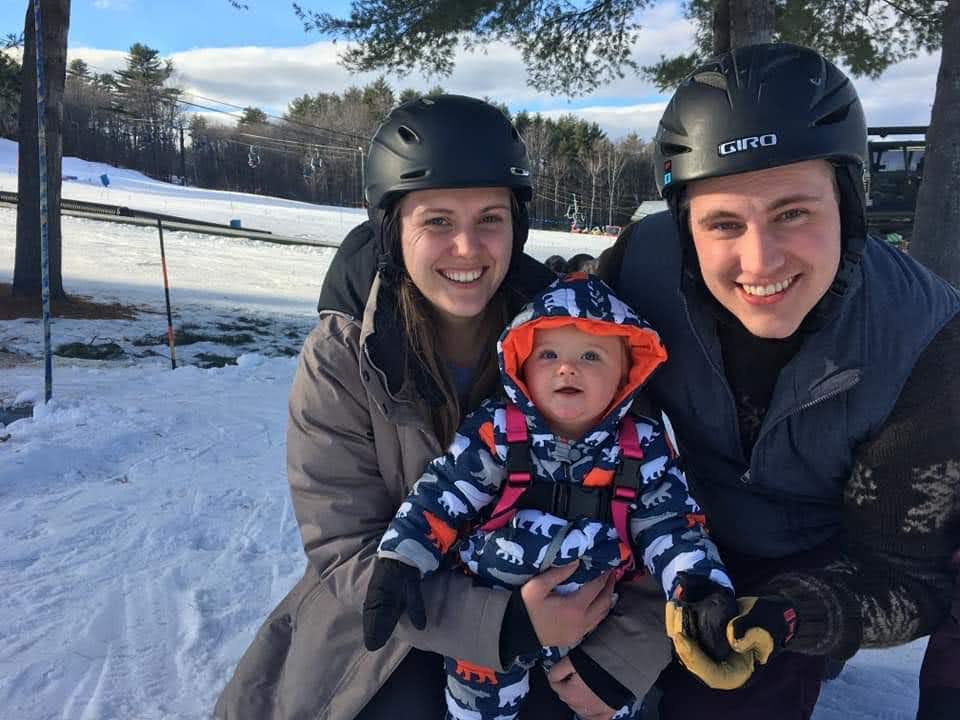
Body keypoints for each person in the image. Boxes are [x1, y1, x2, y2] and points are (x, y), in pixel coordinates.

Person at [215, 95, 673, 720]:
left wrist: (623, 657)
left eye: (490, 218)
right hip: (399, 625)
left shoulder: (583, 338)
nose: (467, 248)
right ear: (392, 228)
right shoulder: (345, 355)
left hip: (579, 618)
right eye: (436, 222)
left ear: (517, 225)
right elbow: (345, 547)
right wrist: (503, 625)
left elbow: (658, 505)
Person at [596, 42, 960, 719]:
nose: (759, 259)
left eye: (794, 212)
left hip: (800, 569)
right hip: (652, 533)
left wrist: (792, 616)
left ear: (849, 205)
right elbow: (541, 326)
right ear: (685, 231)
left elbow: (909, 576)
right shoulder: (642, 267)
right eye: (723, 224)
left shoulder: (922, 341)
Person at [361, 273, 740, 720]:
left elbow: (673, 527)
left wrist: (698, 586)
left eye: (591, 355)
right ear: (521, 365)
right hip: (495, 609)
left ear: (625, 375)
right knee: (475, 707)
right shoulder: (499, 431)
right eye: (548, 354)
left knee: (608, 704)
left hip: (596, 621)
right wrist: (401, 561)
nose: (567, 367)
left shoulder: (642, 447)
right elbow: (442, 494)